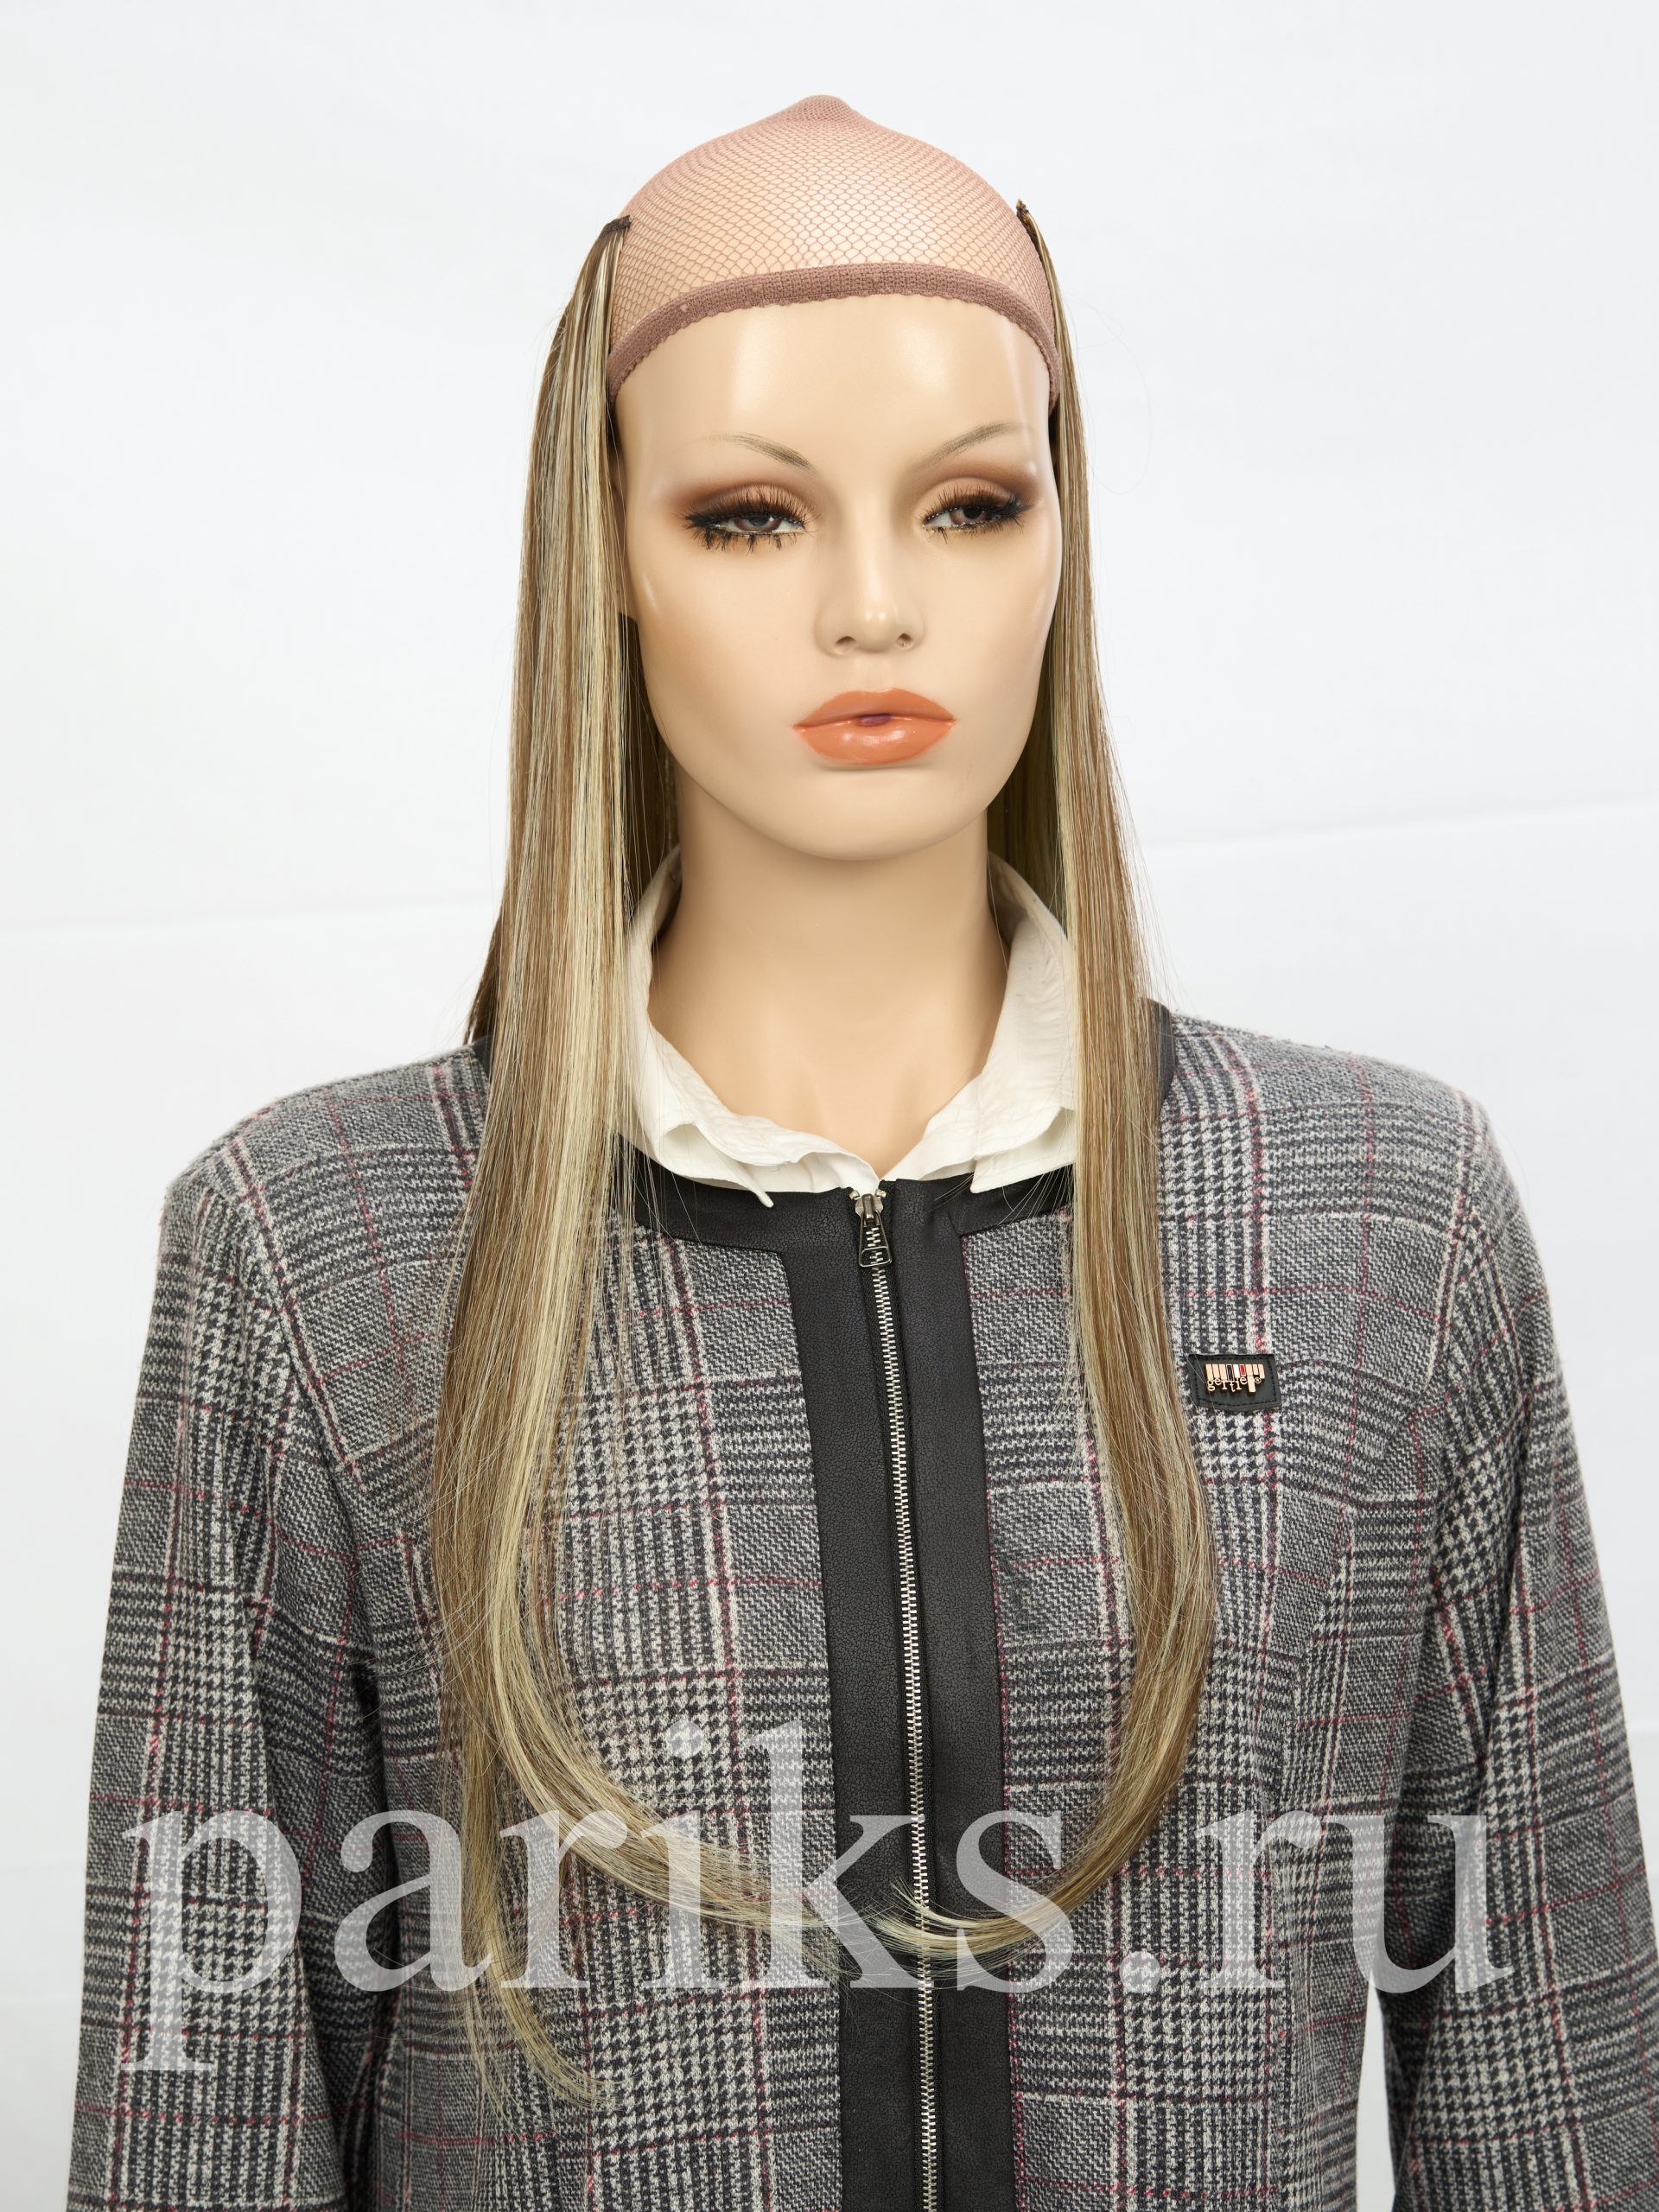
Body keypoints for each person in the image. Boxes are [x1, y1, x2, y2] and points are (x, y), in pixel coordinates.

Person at [65, 93, 1659, 2212]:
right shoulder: (317, 1246)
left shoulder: (1383, 1215)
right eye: (751, 515)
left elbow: (1553, 2087)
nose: (878, 605)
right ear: (612, 560)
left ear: (1064, 533)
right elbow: (204, 2114)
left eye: (973, 502)